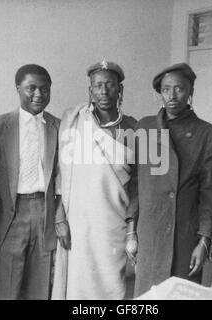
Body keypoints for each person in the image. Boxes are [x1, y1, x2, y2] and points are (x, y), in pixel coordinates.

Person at [134, 63, 212, 297]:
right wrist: (130, 233)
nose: (172, 96)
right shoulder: (145, 127)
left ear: (191, 91)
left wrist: (204, 241)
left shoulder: (206, 133)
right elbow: (134, 184)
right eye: (166, 89)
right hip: (150, 232)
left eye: (179, 89)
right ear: (160, 93)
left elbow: (210, 191)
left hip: (185, 234)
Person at [52, 60, 138, 300]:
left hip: (114, 223)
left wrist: (132, 230)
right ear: (90, 91)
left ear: (120, 90)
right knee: (80, 285)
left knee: (113, 285)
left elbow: (138, 186)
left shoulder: (134, 127)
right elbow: (61, 175)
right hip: (79, 222)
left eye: (110, 85)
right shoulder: (73, 122)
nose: (103, 91)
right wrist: (60, 217)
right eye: (97, 86)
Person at [0, 64, 69, 300]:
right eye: (31, 88)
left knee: (39, 285)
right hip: (11, 213)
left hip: (45, 211)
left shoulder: (59, 127)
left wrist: (59, 216)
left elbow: (63, 176)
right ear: (18, 89)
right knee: (7, 285)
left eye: (45, 89)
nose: (38, 95)